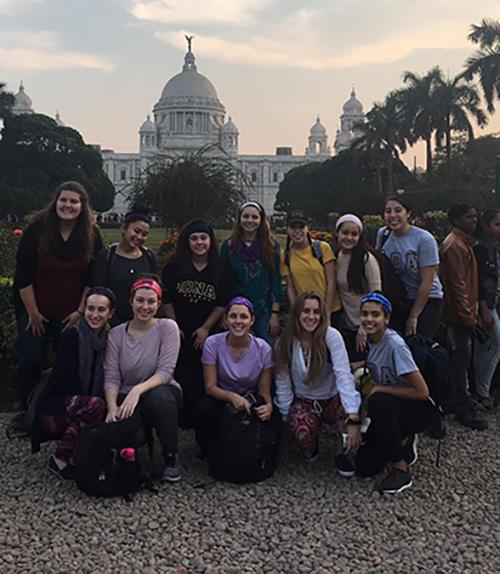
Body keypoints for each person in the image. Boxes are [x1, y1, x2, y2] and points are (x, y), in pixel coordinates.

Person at [8, 181, 103, 439]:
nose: (68, 205)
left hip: (71, 313)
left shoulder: (91, 234)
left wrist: (80, 311)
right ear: (56, 202)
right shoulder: (37, 230)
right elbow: (23, 276)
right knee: (30, 360)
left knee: (68, 364)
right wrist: (33, 313)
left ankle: (59, 413)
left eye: (74, 202)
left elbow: (92, 278)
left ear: (82, 207)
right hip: (36, 309)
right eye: (64, 200)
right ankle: (25, 410)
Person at [104, 276, 183, 482]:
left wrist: (137, 391)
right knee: (131, 434)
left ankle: (171, 457)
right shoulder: (116, 335)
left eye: (151, 301)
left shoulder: (167, 328)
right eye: (140, 300)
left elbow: (166, 371)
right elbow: (112, 377)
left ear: (158, 304)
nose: (145, 306)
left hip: (160, 389)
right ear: (131, 302)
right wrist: (112, 406)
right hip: (125, 395)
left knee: (160, 400)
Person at [355, 292, 435, 494]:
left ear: (387, 318)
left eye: (375, 315)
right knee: (365, 467)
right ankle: (402, 441)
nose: (369, 319)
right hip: (392, 407)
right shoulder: (372, 340)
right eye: (365, 314)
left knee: (379, 401)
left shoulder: (394, 345)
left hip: (417, 408)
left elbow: (422, 391)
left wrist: (382, 389)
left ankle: (401, 470)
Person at [274, 291, 361, 476]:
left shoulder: (331, 337)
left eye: (316, 312)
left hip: (333, 397)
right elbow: (283, 384)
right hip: (305, 400)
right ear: (297, 313)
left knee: (352, 433)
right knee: (300, 429)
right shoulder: (285, 343)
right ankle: (310, 447)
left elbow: (343, 375)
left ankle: (341, 450)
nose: (311, 317)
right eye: (306, 311)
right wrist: (284, 423)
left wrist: (353, 415)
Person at [36, 287, 116, 480]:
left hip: (84, 403)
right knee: (95, 406)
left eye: (101, 309)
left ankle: (76, 453)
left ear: (110, 312)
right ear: (84, 309)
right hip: (56, 407)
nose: (94, 315)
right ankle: (61, 458)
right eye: (91, 308)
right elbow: (64, 383)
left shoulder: (107, 339)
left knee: (103, 408)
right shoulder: (72, 336)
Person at [162, 219, 229, 434]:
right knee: (181, 371)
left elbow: (222, 302)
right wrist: (173, 326)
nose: (199, 243)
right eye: (194, 238)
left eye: (203, 238)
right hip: (180, 328)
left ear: (210, 241)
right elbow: (167, 299)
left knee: (204, 372)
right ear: (187, 242)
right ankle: (182, 414)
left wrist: (206, 328)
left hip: (205, 330)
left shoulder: (220, 268)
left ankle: (202, 415)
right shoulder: (174, 267)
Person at [195, 297, 277, 454]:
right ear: (226, 320)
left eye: (244, 317)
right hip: (221, 395)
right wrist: (232, 397)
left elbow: (264, 391)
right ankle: (209, 447)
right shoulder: (213, 344)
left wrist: (269, 406)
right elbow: (210, 387)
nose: (238, 321)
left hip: (250, 397)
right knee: (203, 409)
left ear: (252, 320)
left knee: (275, 419)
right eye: (233, 316)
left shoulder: (264, 349)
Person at [439, 205, 488, 430]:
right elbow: (457, 284)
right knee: (460, 358)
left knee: (460, 357)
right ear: (456, 219)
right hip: (459, 314)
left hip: (463, 311)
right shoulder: (454, 246)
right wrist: (468, 315)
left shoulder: (463, 243)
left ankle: (457, 399)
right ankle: (462, 405)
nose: (474, 220)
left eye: (475, 216)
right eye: (469, 216)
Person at [376, 197, 443, 338]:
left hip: (427, 300)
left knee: (419, 344)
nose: (393, 215)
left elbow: (427, 281)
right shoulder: (383, 235)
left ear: (408, 214)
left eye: (398, 210)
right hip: (400, 298)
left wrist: (414, 316)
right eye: (388, 211)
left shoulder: (424, 239)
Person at [220, 201, 281, 345]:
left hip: (262, 310)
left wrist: (275, 314)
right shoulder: (229, 246)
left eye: (254, 217)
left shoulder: (271, 246)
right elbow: (222, 280)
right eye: (246, 216)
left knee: (266, 348)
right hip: (236, 310)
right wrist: (223, 312)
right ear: (239, 219)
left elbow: (275, 280)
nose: (250, 221)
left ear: (261, 220)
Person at [92, 211, 157, 326]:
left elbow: (154, 290)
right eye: (136, 231)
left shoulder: (149, 257)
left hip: (140, 322)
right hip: (110, 323)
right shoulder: (107, 256)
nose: (139, 237)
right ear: (124, 229)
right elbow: (99, 290)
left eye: (144, 234)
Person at [334, 214, 382, 361]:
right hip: (348, 326)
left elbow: (376, 294)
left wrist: (364, 328)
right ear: (337, 233)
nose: (349, 238)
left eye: (354, 234)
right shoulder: (337, 256)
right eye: (345, 233)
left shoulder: (366, 259)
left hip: (366, 328)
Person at [281, 211, 339, 323]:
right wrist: (296, 312)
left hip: (330, 310)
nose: (297, 231)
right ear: (287, 229)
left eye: (301, 227)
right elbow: (290, 287)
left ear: (307, 228)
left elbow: (332, 282)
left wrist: (327, 313)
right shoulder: (285, 255)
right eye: (293, 227)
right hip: (307, 313)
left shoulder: (322, 248)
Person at [473, 209, 500, 409]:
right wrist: (482, 308)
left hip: (493, 301)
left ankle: (484, 388)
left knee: (487, 347)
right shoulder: (481, 247)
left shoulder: (493, 246)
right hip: (486, 304)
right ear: (485, 225)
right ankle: (482, 390)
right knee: (495, 344)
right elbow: (479, 280)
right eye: (496, 224)